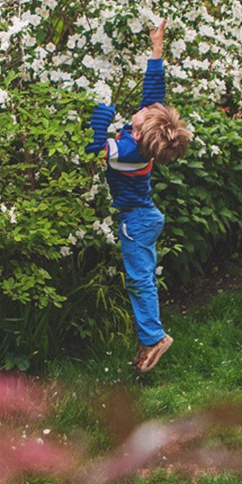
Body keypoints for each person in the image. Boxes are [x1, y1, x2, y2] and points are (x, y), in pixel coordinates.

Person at [84, 20, 192, 373]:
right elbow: (153, 91)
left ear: (139, 129)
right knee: (139, 278)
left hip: (137, 221)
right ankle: (150, 339)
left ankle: (155, 338)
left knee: (139, 279)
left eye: (147, 109)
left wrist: (102, 107)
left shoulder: (127, 150)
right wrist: (156, 48)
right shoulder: (144, 134)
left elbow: (93, 146)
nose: (147, 105)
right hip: (143, 216)